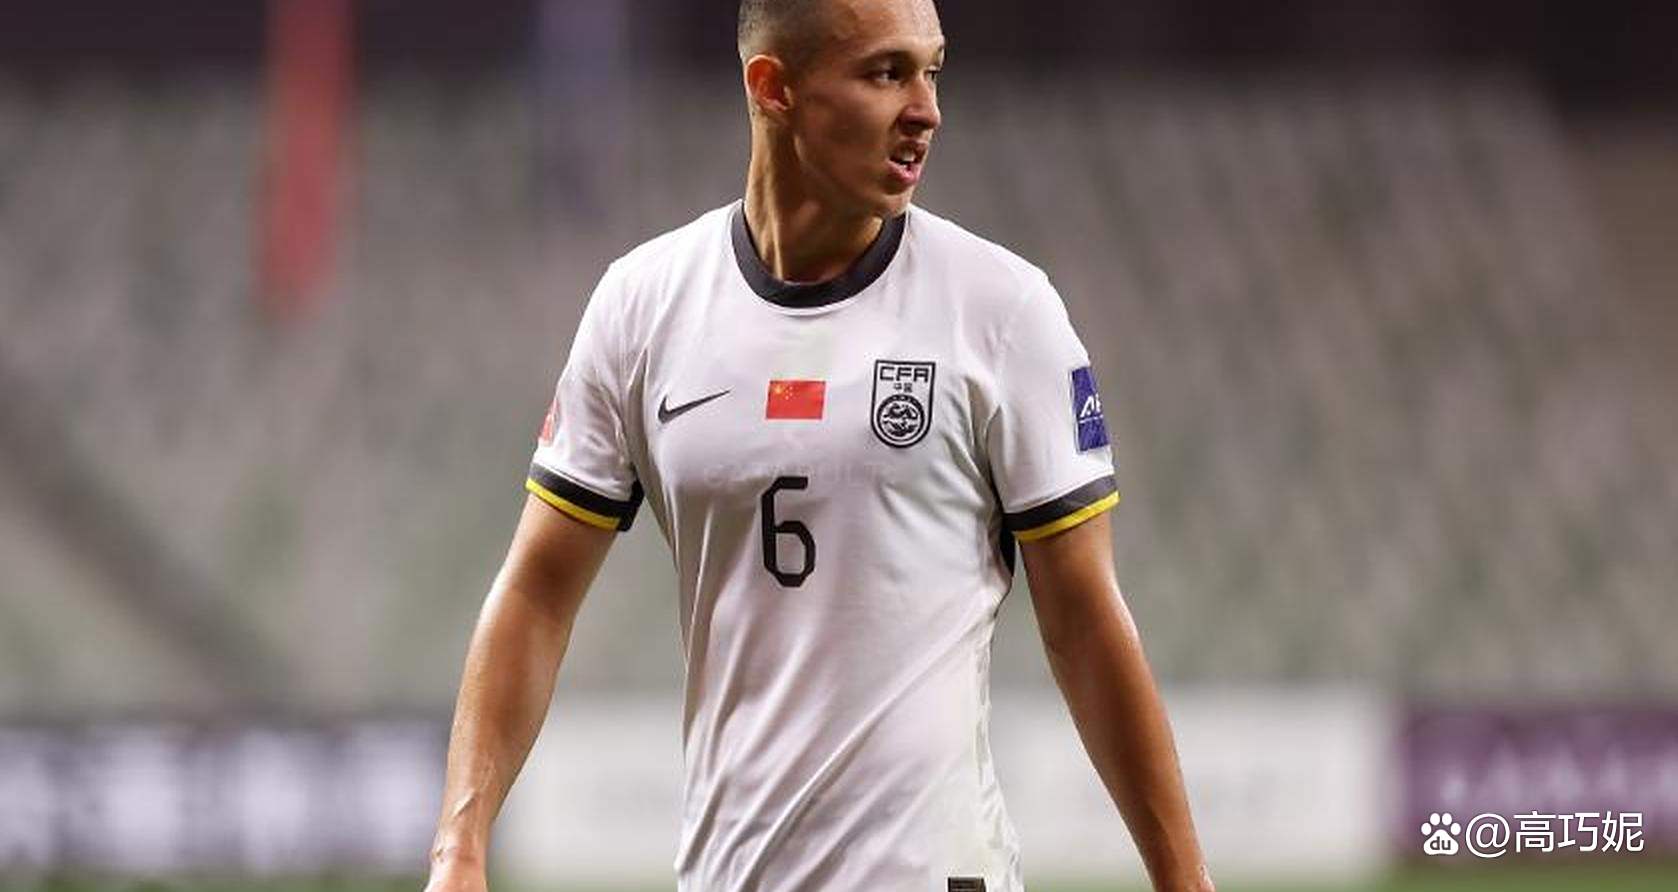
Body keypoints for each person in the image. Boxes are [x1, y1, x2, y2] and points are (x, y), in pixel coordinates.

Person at [424, 1, 1214, 890]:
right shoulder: (642, 306)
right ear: (774, 88)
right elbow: (536, 594)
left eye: (932, 70)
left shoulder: (1001, 311)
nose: (926, 109)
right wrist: (460, 845)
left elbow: (1086, 622)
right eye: (886, 73)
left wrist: (1184, 881)